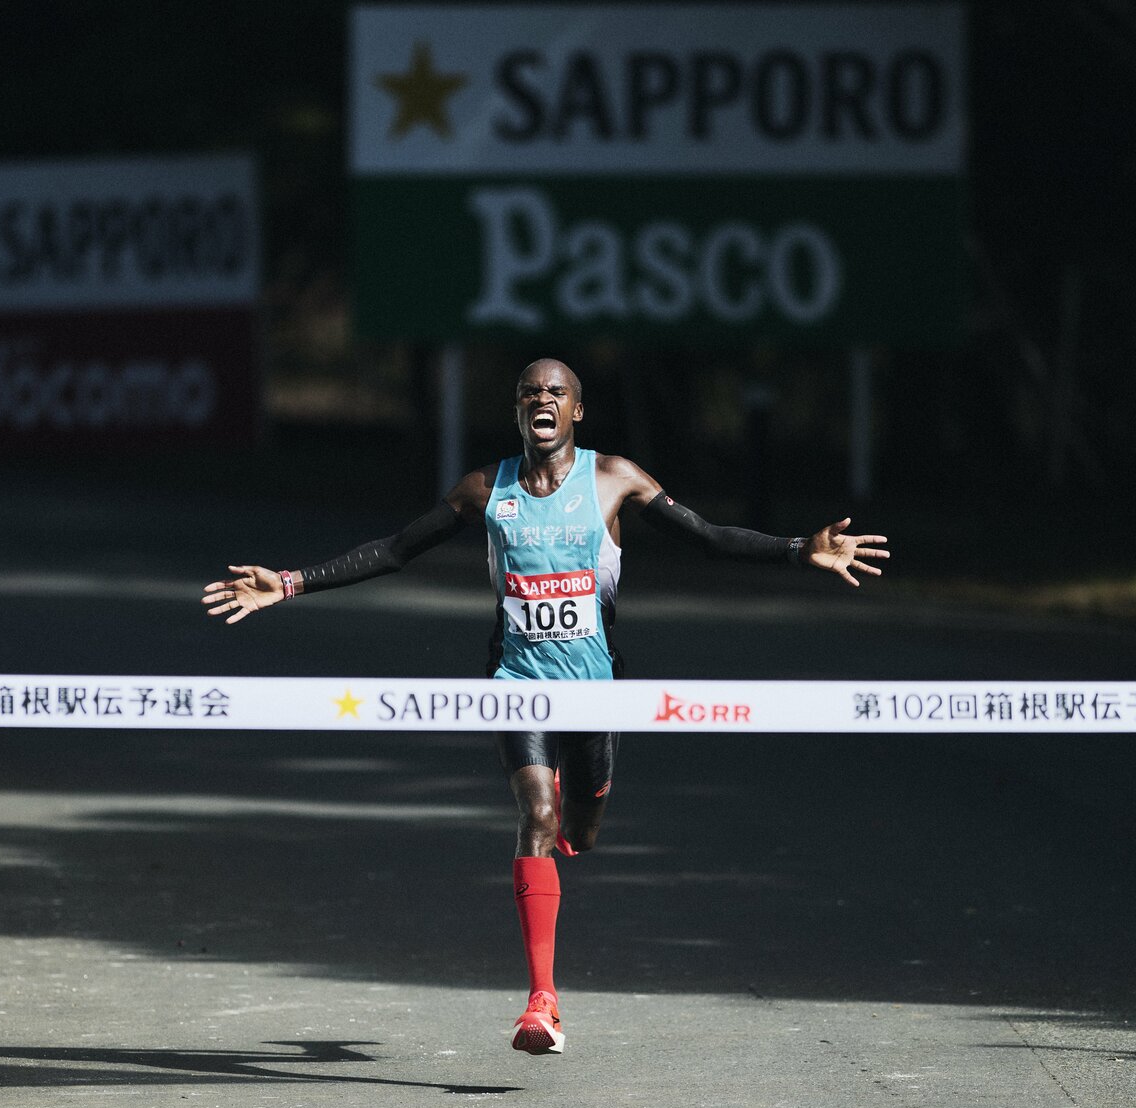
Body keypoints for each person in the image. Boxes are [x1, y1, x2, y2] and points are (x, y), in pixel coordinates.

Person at [203, 358, 888, 1056]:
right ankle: (542, 1003)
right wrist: (290, 583)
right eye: (531, 391)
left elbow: (708, 537)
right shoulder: (484, 490)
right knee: (535, 816)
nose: (543, 399)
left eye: (557, 392)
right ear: (517, 410)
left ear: (576, 413)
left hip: (593, 690)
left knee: (579, 835)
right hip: (516, 684)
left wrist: (802, 549)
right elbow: (395, 550)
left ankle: (567, 820)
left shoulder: (615, 478)